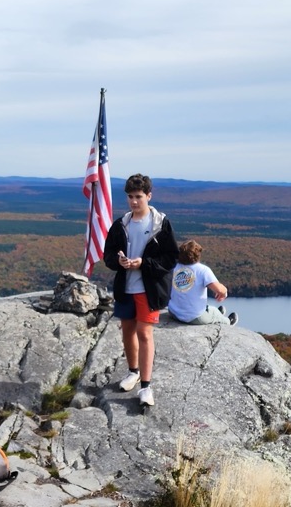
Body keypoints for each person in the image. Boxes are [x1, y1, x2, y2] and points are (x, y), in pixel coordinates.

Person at [102, 173, 178, 409]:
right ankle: (132, 372)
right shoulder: (120, 224)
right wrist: (120, 261)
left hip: (149, 288)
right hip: (126, 287)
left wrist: (143, 264)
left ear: (148, 196)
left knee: (144, 333)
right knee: (127, 331)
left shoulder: (160, 224)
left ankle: (146, 386)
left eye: (138, 197)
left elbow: (171, 258)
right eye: (130, 197)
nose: (134, 202)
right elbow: (108, 255)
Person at [167, 239, 237, 326]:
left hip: (174, 313)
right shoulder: (203, 270)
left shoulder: (174, 267)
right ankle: (228, 321)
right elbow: (220, 290)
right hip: (195, 317)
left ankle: (215, 313)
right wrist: (224, 292)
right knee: (213, 312)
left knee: (209, 308)